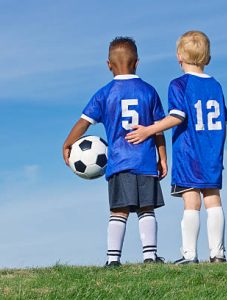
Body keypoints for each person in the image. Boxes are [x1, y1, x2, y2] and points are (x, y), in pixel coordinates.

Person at [126, 31, 227, 264]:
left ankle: (189, 255)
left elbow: (177, 116)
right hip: (212, 152)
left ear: (179, 57)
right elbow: (224, 119)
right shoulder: (216, 85)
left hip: (189, 152)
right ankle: (218, 254)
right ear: (208, 58)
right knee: (213, 198)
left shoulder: (179, 84)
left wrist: (148, 130)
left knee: (191, 200)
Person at [62, 37, 167, 266]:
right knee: (146, 209)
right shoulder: (149, 91)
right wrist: (163, 158)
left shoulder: (104, 93)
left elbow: (84, 122)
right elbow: (159, 129)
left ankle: (112, 260)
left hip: (119, 162)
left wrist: (68, 143)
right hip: (146, 161)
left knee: (119, 211)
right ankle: (149, 256)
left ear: (108, 64)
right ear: (137, 62)